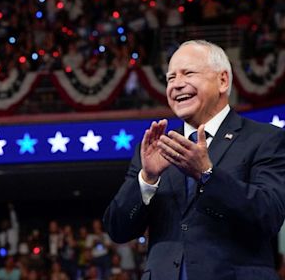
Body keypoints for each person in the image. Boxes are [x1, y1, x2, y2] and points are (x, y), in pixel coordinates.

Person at [104, 39, 285, 280]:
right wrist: (147, 179)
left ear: (223, 80)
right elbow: (117, 229)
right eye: (170, 78)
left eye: (188, 73)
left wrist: (207, 174)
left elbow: (269, 216)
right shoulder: (155, 148)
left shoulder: (265, 139)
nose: (177, 85)